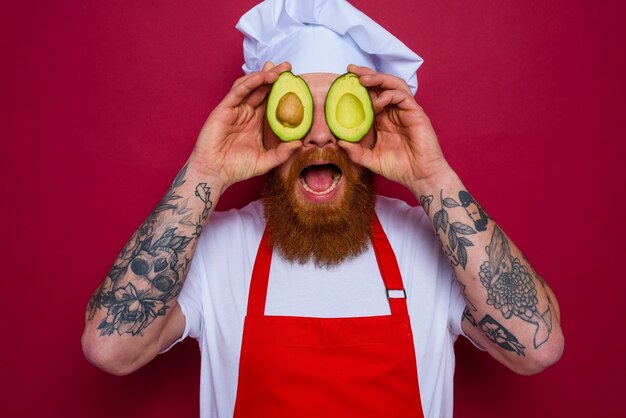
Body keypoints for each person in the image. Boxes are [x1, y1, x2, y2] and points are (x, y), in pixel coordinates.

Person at [82, 0, 564, 417]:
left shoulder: (432, 245)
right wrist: (204, 171)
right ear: (266, 127)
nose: (317, 135)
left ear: (374, 128)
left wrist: (432, 177)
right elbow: (109, 348)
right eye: (295, 113)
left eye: (341, 113)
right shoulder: (218, 248)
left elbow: (537, 347)